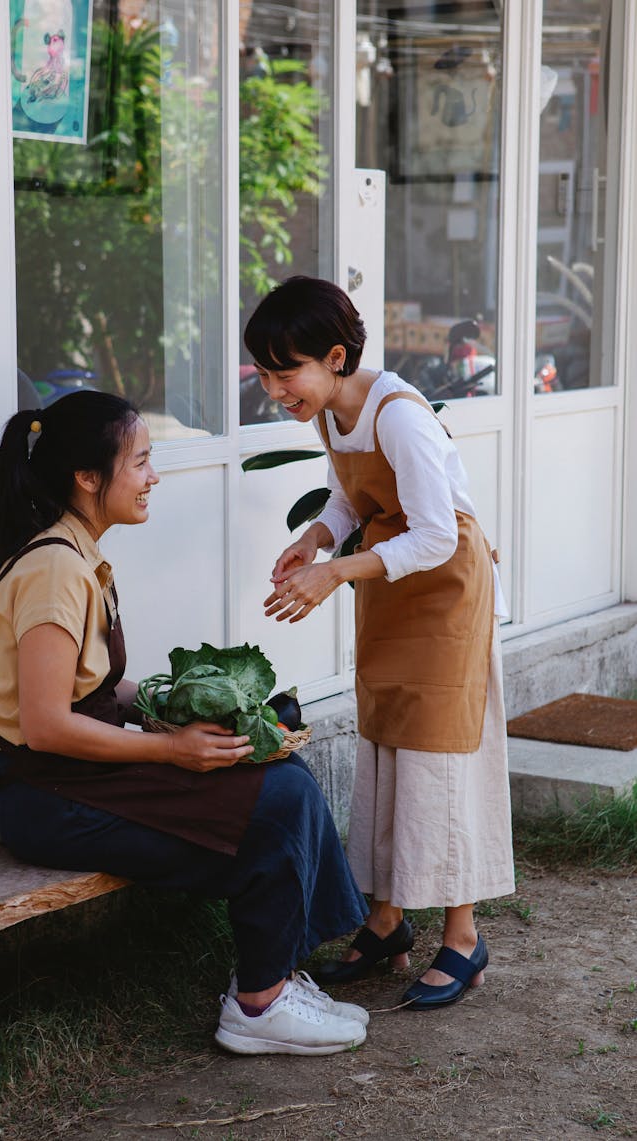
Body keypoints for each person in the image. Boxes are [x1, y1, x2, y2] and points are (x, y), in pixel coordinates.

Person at [0, 388, 369, 1054]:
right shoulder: (54, 571)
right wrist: (171, 751)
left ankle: (277, 974)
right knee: (277, 800)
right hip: (51, 797)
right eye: (141, 461)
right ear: (88, 477)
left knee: (273, 766)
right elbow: (43, 724)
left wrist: (164, 710)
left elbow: (91, 686)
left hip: (76, 780)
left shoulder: (74, 555)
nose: (154, 476)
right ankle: (259, 1003)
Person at [244, 276, 515, 1011]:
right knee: (386, 742)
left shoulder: (399, 415)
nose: (275, 388)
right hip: (393, 582)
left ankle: (463, 936)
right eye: (265, 373)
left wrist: (336, 571)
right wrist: (318, 536)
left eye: (284, 370)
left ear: (335, 357)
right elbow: (347, 494)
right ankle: (388, 921)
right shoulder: (333, 410)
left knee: (438, 753)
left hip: (443, 586)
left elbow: (435, 531)